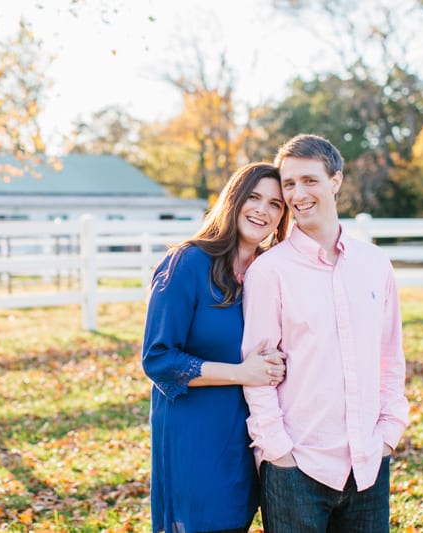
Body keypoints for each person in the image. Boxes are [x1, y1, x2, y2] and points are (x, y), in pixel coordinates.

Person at [241, 134, 410, 532]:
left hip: (368, 461)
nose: (298, 194)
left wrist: (388, 434)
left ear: (335, 181)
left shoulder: (375, 264)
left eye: (310, 180)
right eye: (289, 184)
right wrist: (278, 451)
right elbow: (257, 369)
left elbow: (390, 355)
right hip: (297, 465)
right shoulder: (270, 271)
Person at [142, 162, 292, 533]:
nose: (263, 210)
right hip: (195, 431)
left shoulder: (269, 271)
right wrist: (242, 373)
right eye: (253, 197)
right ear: (233, 199)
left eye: (275, 204)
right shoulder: (187, 263)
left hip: (247, 435)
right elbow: (158, 359)